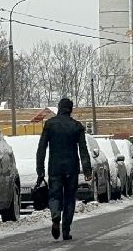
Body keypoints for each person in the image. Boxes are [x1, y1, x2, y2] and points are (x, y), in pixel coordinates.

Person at [36, 96, 94, 241]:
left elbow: (41, 148)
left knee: (54, 195)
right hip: (72, 168)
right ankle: (66, 230)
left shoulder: (50, 125)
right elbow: (83, 150)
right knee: (69, 198)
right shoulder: (77, 126)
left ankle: (56, 216)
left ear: (59, 108)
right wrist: (87, 170)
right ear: (70, 110)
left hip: (55, 168)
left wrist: (40, 169)